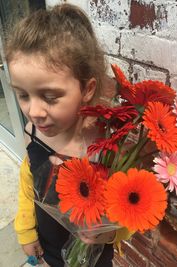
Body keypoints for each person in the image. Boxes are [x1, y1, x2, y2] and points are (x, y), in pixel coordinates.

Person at [5, 3, 131, 267]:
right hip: (48, 250)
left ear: (87, 89)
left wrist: (110, 232)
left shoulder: (104, 148)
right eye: (23, 95)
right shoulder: (32, 133)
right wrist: (26, 229)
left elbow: (128, 208)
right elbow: (29, 183)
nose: (34, 112)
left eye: (50, 97)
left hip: (94, 256)